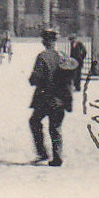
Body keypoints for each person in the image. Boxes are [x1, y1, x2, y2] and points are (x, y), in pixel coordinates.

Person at [28, 28, 77, 167]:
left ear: (44, 42)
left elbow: (35, 78)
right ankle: (57, 157)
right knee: (56, 127)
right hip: (60, 98)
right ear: (55, 42)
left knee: (34, 121)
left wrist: (33, 80)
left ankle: (42, 152)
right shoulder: (63, 56)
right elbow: (70, 79)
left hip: (45, 98)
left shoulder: (42, 57)